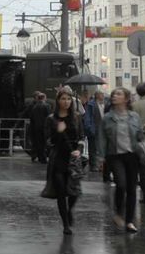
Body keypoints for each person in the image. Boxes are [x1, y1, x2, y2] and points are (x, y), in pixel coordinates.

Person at [97, 87, 143, 233]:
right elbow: (102, 138)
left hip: (132, 155)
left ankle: (129, 221)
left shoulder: (134, 116)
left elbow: (140, 136)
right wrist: (101, 157)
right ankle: (118, 213)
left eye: (118, 94)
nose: (114, 96)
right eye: (113, 94)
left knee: (131, 188)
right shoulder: (107, 118)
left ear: (126, 98)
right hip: (114, 155)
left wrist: (144, 132)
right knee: (121, 184)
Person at [45, 87, 84, 235]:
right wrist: (57, 133)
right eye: (63, 99)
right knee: (61, 191)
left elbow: (81, 137)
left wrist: (78, 150)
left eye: (68, 99)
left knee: (74, 192)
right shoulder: (51, 119)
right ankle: (66, 225)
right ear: (58, 101)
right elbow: (47, 141)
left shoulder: (76, 117)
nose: (66, 102)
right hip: (58, 158)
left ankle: (69, 210)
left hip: (73, 158)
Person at [84, 90, 105, 172]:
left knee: (100, 147)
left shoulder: (103, 104)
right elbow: (87, 117)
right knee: (92, 148)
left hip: (101, 129)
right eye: (101, 94)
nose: (103, 96)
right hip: (93, 128)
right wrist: (89, 127)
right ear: (97, 95)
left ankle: (99, 165)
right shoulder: (91, 104)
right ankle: (93, 165)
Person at [29, 92, 52, 163]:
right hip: (45, 128)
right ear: (44, 98)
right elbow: (49, 117)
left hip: (36, 128)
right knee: (46, 143)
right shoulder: (47, 106)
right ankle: (44, 158)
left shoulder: (34, 107)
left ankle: (40, 157)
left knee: (39, 143)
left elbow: (32, 118)